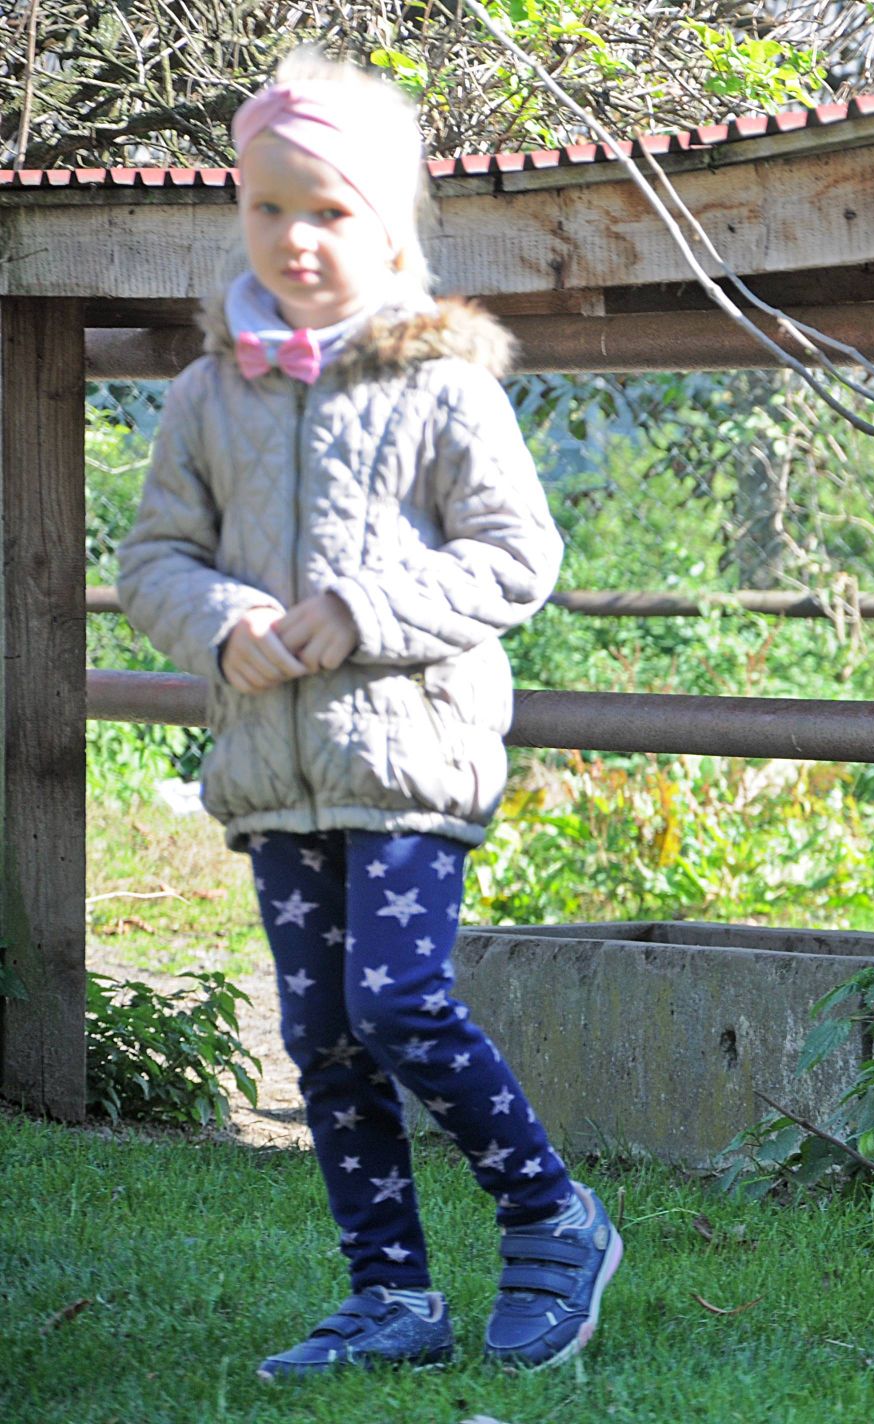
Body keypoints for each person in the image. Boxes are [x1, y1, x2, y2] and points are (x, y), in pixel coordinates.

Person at [116, 50, 621, 1379]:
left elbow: (514, 558)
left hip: (408, 763)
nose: (294, 238)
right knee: (323, 1042)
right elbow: (153, 559)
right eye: (266, 207)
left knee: (396, 1001)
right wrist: (223, 622)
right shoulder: (207, 392)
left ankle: (552, 1214)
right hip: (277, 773)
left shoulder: (443, 387)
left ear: (390, 226)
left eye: (328, 211)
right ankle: (392, 1298)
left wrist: (366, 608)